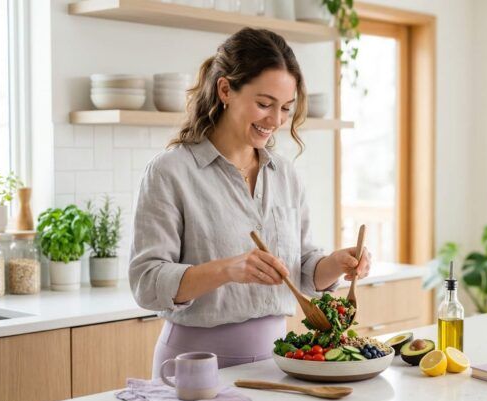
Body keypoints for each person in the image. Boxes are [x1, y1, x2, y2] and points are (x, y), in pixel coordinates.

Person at [128, 28, 371, 377]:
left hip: (279, 365)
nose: (275, 121)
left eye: (286, 108)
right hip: (194, 366)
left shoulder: (285, 174)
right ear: (225, 90)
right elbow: (147, 282)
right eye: (264, 104)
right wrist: (228, 270)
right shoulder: (171, 172)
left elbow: (300, 269)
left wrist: (335, 263)